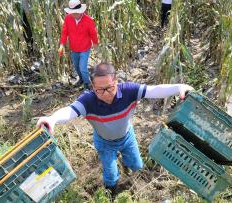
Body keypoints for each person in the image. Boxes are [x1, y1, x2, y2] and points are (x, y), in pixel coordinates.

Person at [37, 62, 194, 195]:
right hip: (105, 143)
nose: (106, 94)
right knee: (111, 176)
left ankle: (129, 170)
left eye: (109, 88)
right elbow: (70, 111)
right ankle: (111, 195)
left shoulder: (128, 91)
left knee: (137, 165)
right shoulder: (88, 101)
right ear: (93, 87)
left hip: (127, 138)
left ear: (116, 82)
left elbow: (154, 90)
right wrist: (52, 119)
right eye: (100, 90)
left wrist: (178, 87)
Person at [59, 0, 99, 90]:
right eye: (72, 12)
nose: (73, 15)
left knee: (82, 67)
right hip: (74, 48)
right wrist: (62, 45)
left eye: (75, 13)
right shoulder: (68, 18)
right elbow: (64, 32)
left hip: (85, 48)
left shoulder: (88, 21)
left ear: (81, 11)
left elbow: (93, 34)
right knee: (77, 67)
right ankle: (81, 79)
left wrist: (95, 44)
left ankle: (87, 84)